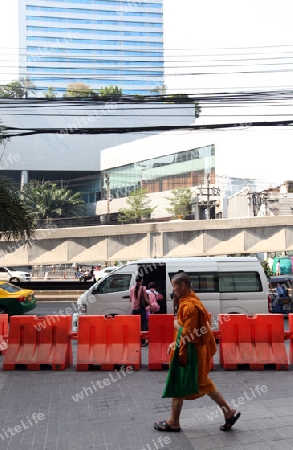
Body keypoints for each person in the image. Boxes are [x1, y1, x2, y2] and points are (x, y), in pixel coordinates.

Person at [154, 271, 241, 433]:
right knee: (203, 384)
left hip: (190, 352)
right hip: (195, 351)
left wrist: (175, 330)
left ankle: (173, 421)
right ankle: (227, 412)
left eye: (174, 286)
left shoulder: (189, 306)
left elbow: (190, 334)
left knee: (179, 381)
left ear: (183, 286)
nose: (173, 290)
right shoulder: (191, 300)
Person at [130, 275, 150, 346]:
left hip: (134, 309)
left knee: (135, 325)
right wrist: (150, 304)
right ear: (142, 280)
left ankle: (135, 340)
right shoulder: (143, 288)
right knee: (143, 325)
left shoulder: (132, 288)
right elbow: (145, 299)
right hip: (141, 309)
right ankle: (143, 341)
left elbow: (131, 299)